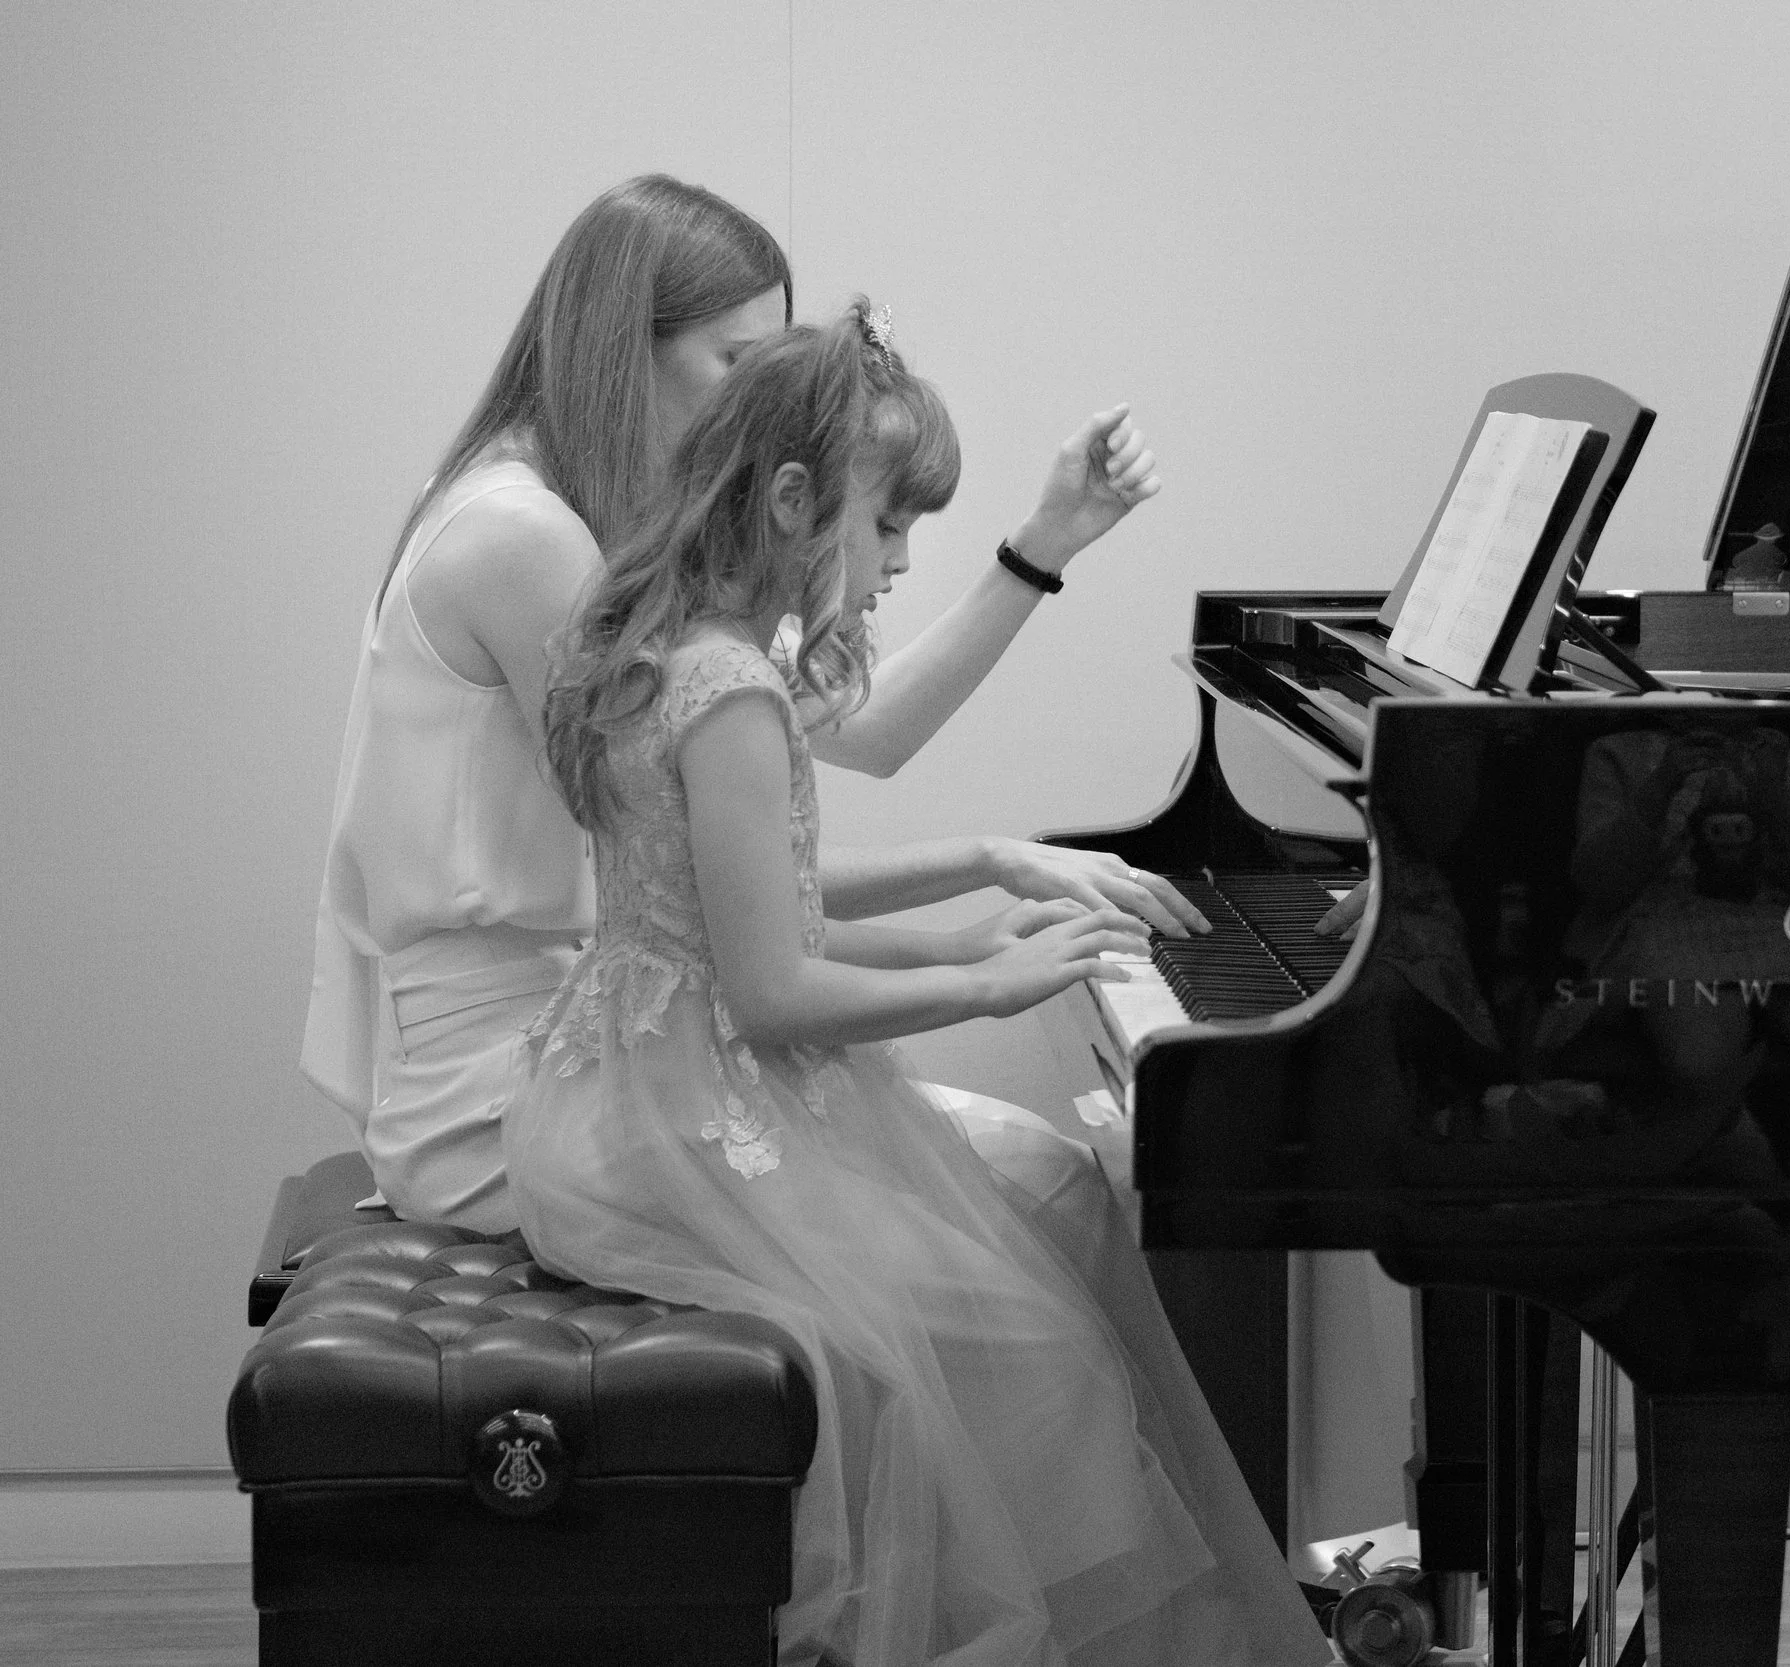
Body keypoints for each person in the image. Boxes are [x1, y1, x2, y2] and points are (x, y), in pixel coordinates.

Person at [512, 304, 1325, 1667]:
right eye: (887, 527)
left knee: (1061, 1188)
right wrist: (990, 981)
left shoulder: (693, 647)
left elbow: (760, 918)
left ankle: (1102, 1613)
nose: (895, 564)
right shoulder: (726, 691)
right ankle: (1028, 1627)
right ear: (789, 500)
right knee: (1030, 1339)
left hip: (658, 1080)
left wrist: (987, 902)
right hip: (685, 1116)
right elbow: (772, 988)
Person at [304, 174, 1200, 1230]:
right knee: (1031, 1186)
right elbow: (713, 896)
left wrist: (1043, 548)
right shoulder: (527, 537)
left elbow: (833, 766)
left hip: (572, 1025)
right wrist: (972, 935)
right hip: (496, 1082)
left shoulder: (588, 537)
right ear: (620, 347)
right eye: (737, 364)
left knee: (1018, 1178)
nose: (761, 401)